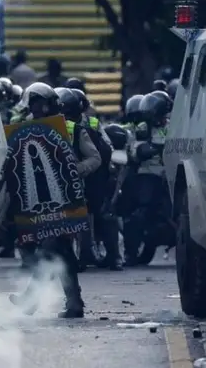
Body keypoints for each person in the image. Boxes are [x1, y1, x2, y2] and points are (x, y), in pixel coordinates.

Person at [9, 82, 101, 318]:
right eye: (33, 103)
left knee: (49, 248)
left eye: (40, 103)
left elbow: (95, 158)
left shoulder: (71, 128)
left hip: (67, 198)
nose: (36, 108)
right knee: (63, 252)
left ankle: (31, 300)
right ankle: (74, 303)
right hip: (40, 200)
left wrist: (75, 170)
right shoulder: (25, 128)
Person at [55, 87, 122, 271]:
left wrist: (78, 170)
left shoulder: (91, 124)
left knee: (104, 212)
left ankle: (115, 256)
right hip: (56, 177)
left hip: (91, 175)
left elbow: (105, 149)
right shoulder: (47, 125)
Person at [122, 91, 172, 265]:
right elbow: (135, 151)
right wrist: (151, 149)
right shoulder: (142, 128)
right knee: (137, 215)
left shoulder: (175, 126)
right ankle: (130, 252)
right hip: (149, 174)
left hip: (172, 173)